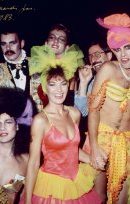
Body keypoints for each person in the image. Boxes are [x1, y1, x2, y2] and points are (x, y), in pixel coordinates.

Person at [24, 49, 101, 204]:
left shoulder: (75, 114)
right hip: (51, 188)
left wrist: (94, 159)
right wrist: (27, 200)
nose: (59, 90)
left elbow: (71, 150)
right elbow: (33, 163)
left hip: (75, 182)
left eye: (63, 84)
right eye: (53, 84)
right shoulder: (40, 121)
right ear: (46, 88)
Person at [87, 13, 130, 203]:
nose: (123, 55)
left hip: (126, 144)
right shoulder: (108, 69)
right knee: (98, 197)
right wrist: (95, 147)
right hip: (102, 139)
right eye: (117, 49)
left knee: (121, 199)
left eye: (127, 47)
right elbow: (93, 110)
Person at [0, 25, 33, 126]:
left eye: (12, 43)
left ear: (22, 43)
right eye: (3, 44)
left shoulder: (40, 67)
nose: (8, 48)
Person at [31, 23, 84, 111]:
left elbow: (73, 105)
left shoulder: (72, 69)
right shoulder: (36, 66)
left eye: (61, 39)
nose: (56, 41)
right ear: (46, 43)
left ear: (67, 47)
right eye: (52, 37)